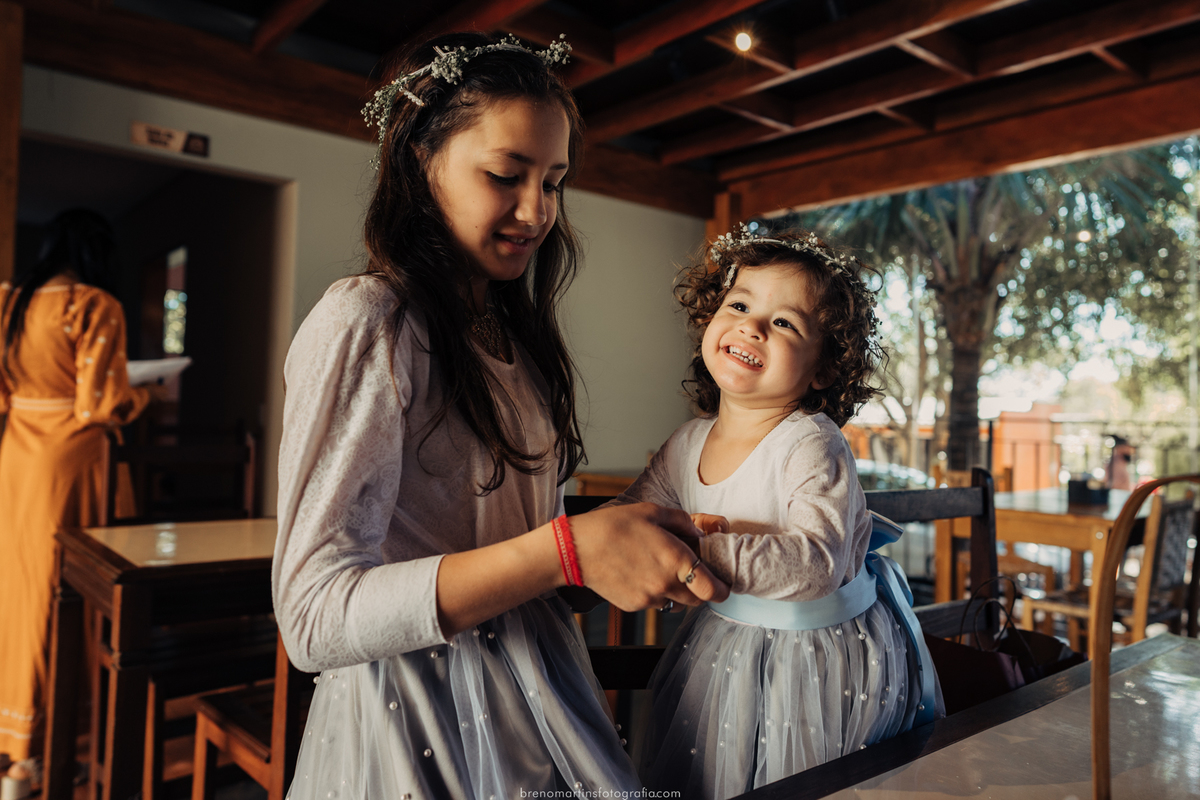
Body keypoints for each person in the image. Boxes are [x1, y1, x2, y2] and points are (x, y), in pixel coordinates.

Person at [272, 32, 727, 799]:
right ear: (422, 159)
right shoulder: (371, 320)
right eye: (506, 176)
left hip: (539, 700)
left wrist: (619, 548)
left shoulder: (515, 335)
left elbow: (519, 552)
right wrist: (567, 550)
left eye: (554, 182)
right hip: (416, 721)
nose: (536, 211)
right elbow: (313, 619)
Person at [610, 229, 942, 799]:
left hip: (818, 659)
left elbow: (816, 562)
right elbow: (628, 517)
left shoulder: (811, 442)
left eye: (785, 322)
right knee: (718, 772)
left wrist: (694, 551)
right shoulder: (686, 443)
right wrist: (595, 542)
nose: (752, 325)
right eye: (739, 305)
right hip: (725, 645)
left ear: (823, 369)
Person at [0, 209, 154, 770]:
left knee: (18, 582)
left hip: (17, 456)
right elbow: (100, 404)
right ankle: (60, 732)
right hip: (70, 461)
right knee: (64, 586)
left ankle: (16, 731)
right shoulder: (91, 305)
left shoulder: (10, 302)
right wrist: (147, 394)